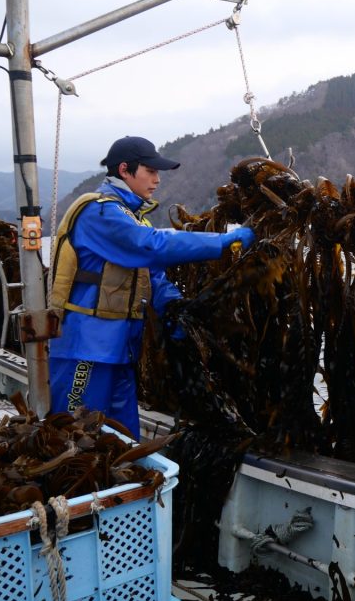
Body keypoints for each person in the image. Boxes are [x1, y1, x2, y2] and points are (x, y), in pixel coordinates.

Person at [48, 135, 255, 438]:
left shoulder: (133, 219)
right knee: (76, 436)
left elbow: (153, 277)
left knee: (124, 438)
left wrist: (175, 309)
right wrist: (222, 242)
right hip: (86, 350)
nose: (157, 180)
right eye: (151, 171)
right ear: (124, 170)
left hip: (122, 350)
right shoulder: (98, 212)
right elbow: (150, 246)